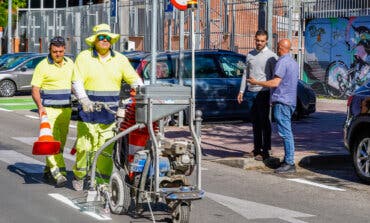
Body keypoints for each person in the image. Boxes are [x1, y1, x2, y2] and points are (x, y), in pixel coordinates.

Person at [71, 23, 143, 191]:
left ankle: (101, 182)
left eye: (108, 38)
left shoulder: (120, 59)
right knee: (84, 147)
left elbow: (135, 80)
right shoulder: (84, 57)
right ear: (94, 40)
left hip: (109, 113)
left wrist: (144, 93)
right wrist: (84, 100)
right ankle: (80, 175)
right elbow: (77, 81)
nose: (105, 41)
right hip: (88, 111)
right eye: (101, 38)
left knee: (105, 149)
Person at [247, 38, 298, 173]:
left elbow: (275, 83)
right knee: (287, 131)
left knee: (285, 132)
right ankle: (289, 159)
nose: (276, 48)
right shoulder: (293, 62)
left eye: (278, 46)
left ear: (281, 48)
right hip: (290, 101)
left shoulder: (282, 62)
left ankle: (289, 162)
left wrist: (256, 82)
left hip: (282, 101)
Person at [31, 36, 74, 186]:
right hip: (49, 111)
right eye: (55, 51)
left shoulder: (70, 64)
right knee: (51, 141)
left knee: (60, 143)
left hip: (66, 110)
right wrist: (40, 107)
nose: (57, 54)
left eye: (60, 51)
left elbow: (74, 84)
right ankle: (58, 172)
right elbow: (35, 89)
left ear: (64, 50)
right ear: (49, 49)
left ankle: (48, 168)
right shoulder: (42, 66)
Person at [237, 30, 277, 161]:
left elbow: (274, 78)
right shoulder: (250, 54)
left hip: (263, 93)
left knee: (264, 121)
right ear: (255, 39)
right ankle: (256, 148)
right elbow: (245, 74)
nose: (259, 43)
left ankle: (266, 150)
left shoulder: (271, 56)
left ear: (266, 41)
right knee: (255, 122)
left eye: (262, 41)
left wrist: (272, 96)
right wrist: (241, 91)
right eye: (257, 40)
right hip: (251, 92)